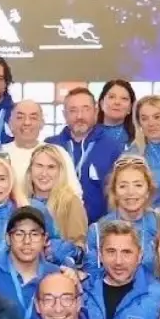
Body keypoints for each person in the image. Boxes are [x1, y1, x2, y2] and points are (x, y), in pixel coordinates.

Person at [46, 87, 127, 222]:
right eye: (73, 110)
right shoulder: (50, 146)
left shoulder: (113, 147)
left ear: (95, 111)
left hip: (99, 227)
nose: (80, 116)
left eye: (85, 109)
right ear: (64, 114)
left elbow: (119, 193)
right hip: (55, 226)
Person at [85, 155, 160, 279]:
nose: (130, 192)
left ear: (148, 191)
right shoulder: (97, 231)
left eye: (138, 185)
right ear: (114, 192)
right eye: (123, 186)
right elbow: (92, 278)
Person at [0, 207, 60, 319]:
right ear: (8, 238)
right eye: (19, 234)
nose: (27, 241)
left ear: (45, 239)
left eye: (34, 234)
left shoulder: (56, 276)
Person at [22, 143, 88, 251]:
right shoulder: (21, 201)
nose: (44, 173)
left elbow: (80, 246)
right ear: (30, 169)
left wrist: (61, 250)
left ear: (60, 171)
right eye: (39, 166)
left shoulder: (71, 202)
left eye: (51, 167)